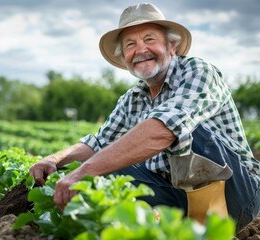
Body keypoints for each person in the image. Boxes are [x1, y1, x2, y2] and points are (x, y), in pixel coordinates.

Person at [29, 3, 260, 231]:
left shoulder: (198, 72)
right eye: (130, 44)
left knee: (187, 129)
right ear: (124, 57)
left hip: (236, 197)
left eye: (149, 39)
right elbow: (97, 144)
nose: (140, 50)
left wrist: (85, 171)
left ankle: (209, 226)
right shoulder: (132, 99)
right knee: (104, 163)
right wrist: (54, 160)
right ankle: (171, 225)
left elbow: (165, 128)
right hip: (177, 196)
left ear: (171, 46)